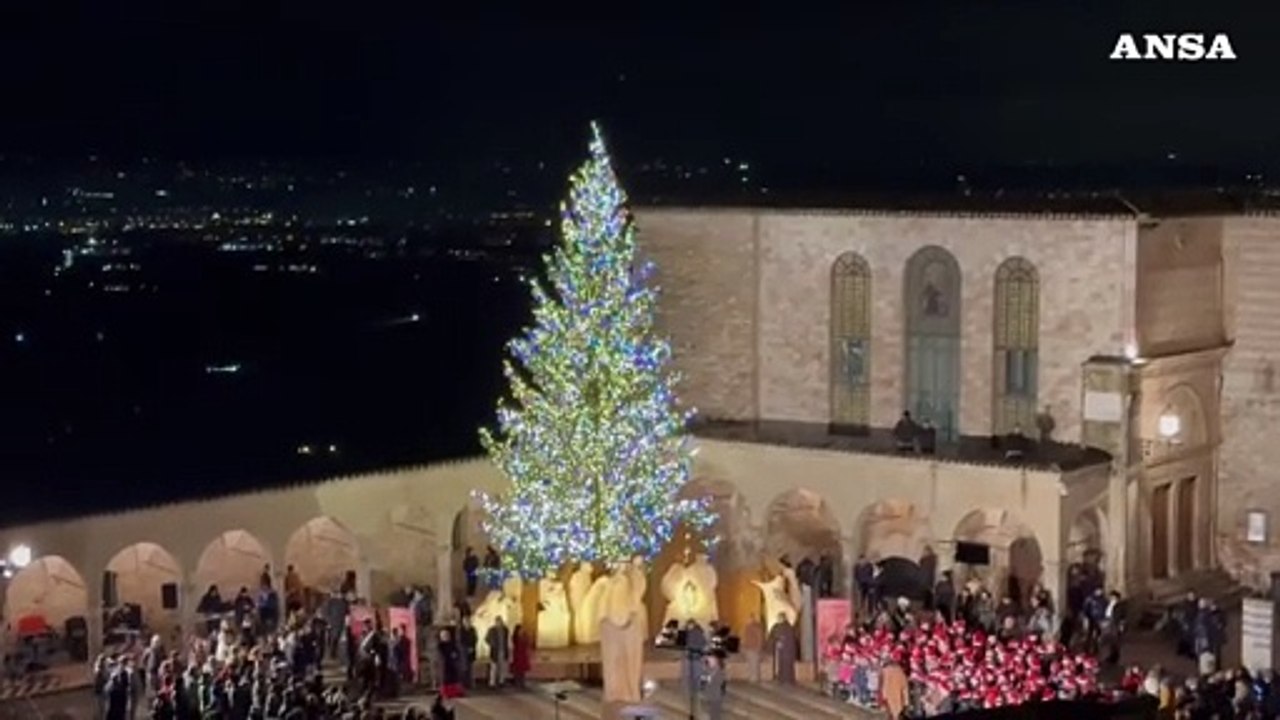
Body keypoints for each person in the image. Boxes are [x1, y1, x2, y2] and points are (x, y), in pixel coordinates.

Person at [767, 613, 797, 685]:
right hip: (788, 650)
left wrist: (778, 641)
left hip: (784, 650)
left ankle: (784, 680)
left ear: (782, 618)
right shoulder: (789, 627)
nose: (778, 619)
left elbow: (777, 636)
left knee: (784, 665)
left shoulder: (782, 627)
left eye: (779, 618)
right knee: (787, 665)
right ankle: (788, 680)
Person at [437, 629, 464, 699]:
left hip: (452, 664)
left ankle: (455, 692)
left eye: (447, 635)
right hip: (444, 664)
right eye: (444, 636)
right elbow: (440, 654)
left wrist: (455, 656)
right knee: (446, 679)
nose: (445, 637)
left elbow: (456, 652)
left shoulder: (453, 644)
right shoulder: (440, 645)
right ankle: (446, 693)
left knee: (454, 678)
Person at [485, 616, 510, 687]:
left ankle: (501, 681)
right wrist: (492, 643)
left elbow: (507, 640)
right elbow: (486, 639)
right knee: (494, 667)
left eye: (501, 622)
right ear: (495, 622)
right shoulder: (491, 630)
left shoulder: (505, 630)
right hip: (495, 651)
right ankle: (492, 682)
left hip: (503, 650)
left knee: (502, 667)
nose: (499, 623)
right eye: (498, 622)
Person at [701, 653, 727, 720]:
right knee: (712, 713)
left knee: (715, 713)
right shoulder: (709, 670)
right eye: (709, 661)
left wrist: (708, 678)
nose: (710, 662)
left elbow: (719, 681)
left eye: (711, 661)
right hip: (711, 694)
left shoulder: (719, 671)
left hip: (716, 695)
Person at [741, 615, 764, 683]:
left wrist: (758, 648)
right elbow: (744, 637)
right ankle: (752, 677)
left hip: (753, 648)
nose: (747, 620)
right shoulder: (747, 627)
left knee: (754, 664)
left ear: (752, 619)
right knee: (751, 663)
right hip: (748, 648)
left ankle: (755, 678)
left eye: (748, 619)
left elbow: (760, 638)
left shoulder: (756, 627)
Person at [511, 624, 532, 688]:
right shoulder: (515, 637)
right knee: (517, 669)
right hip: (517, 654)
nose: (522, 630)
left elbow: (528, 643)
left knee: (522, 670)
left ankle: (522, 682)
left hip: (523, 654)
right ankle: (517, 682)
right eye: (520, 629)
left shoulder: (524, 636)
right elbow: (515, 644)